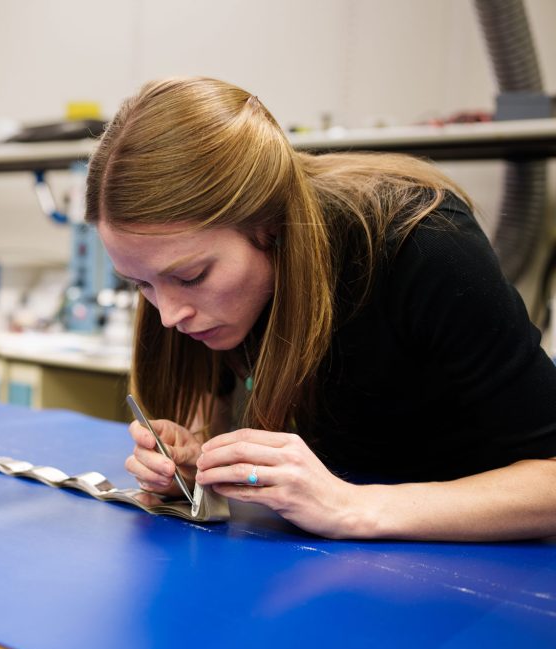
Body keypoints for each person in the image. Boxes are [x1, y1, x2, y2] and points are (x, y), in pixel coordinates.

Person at [86, 76, 556, 542]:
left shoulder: (426, 245)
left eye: (191, 278)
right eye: (140, 285)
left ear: (270, 226)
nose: (168, 315)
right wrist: (198, 460)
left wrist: (351, 507)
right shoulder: (204, 283)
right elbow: (219, 414)